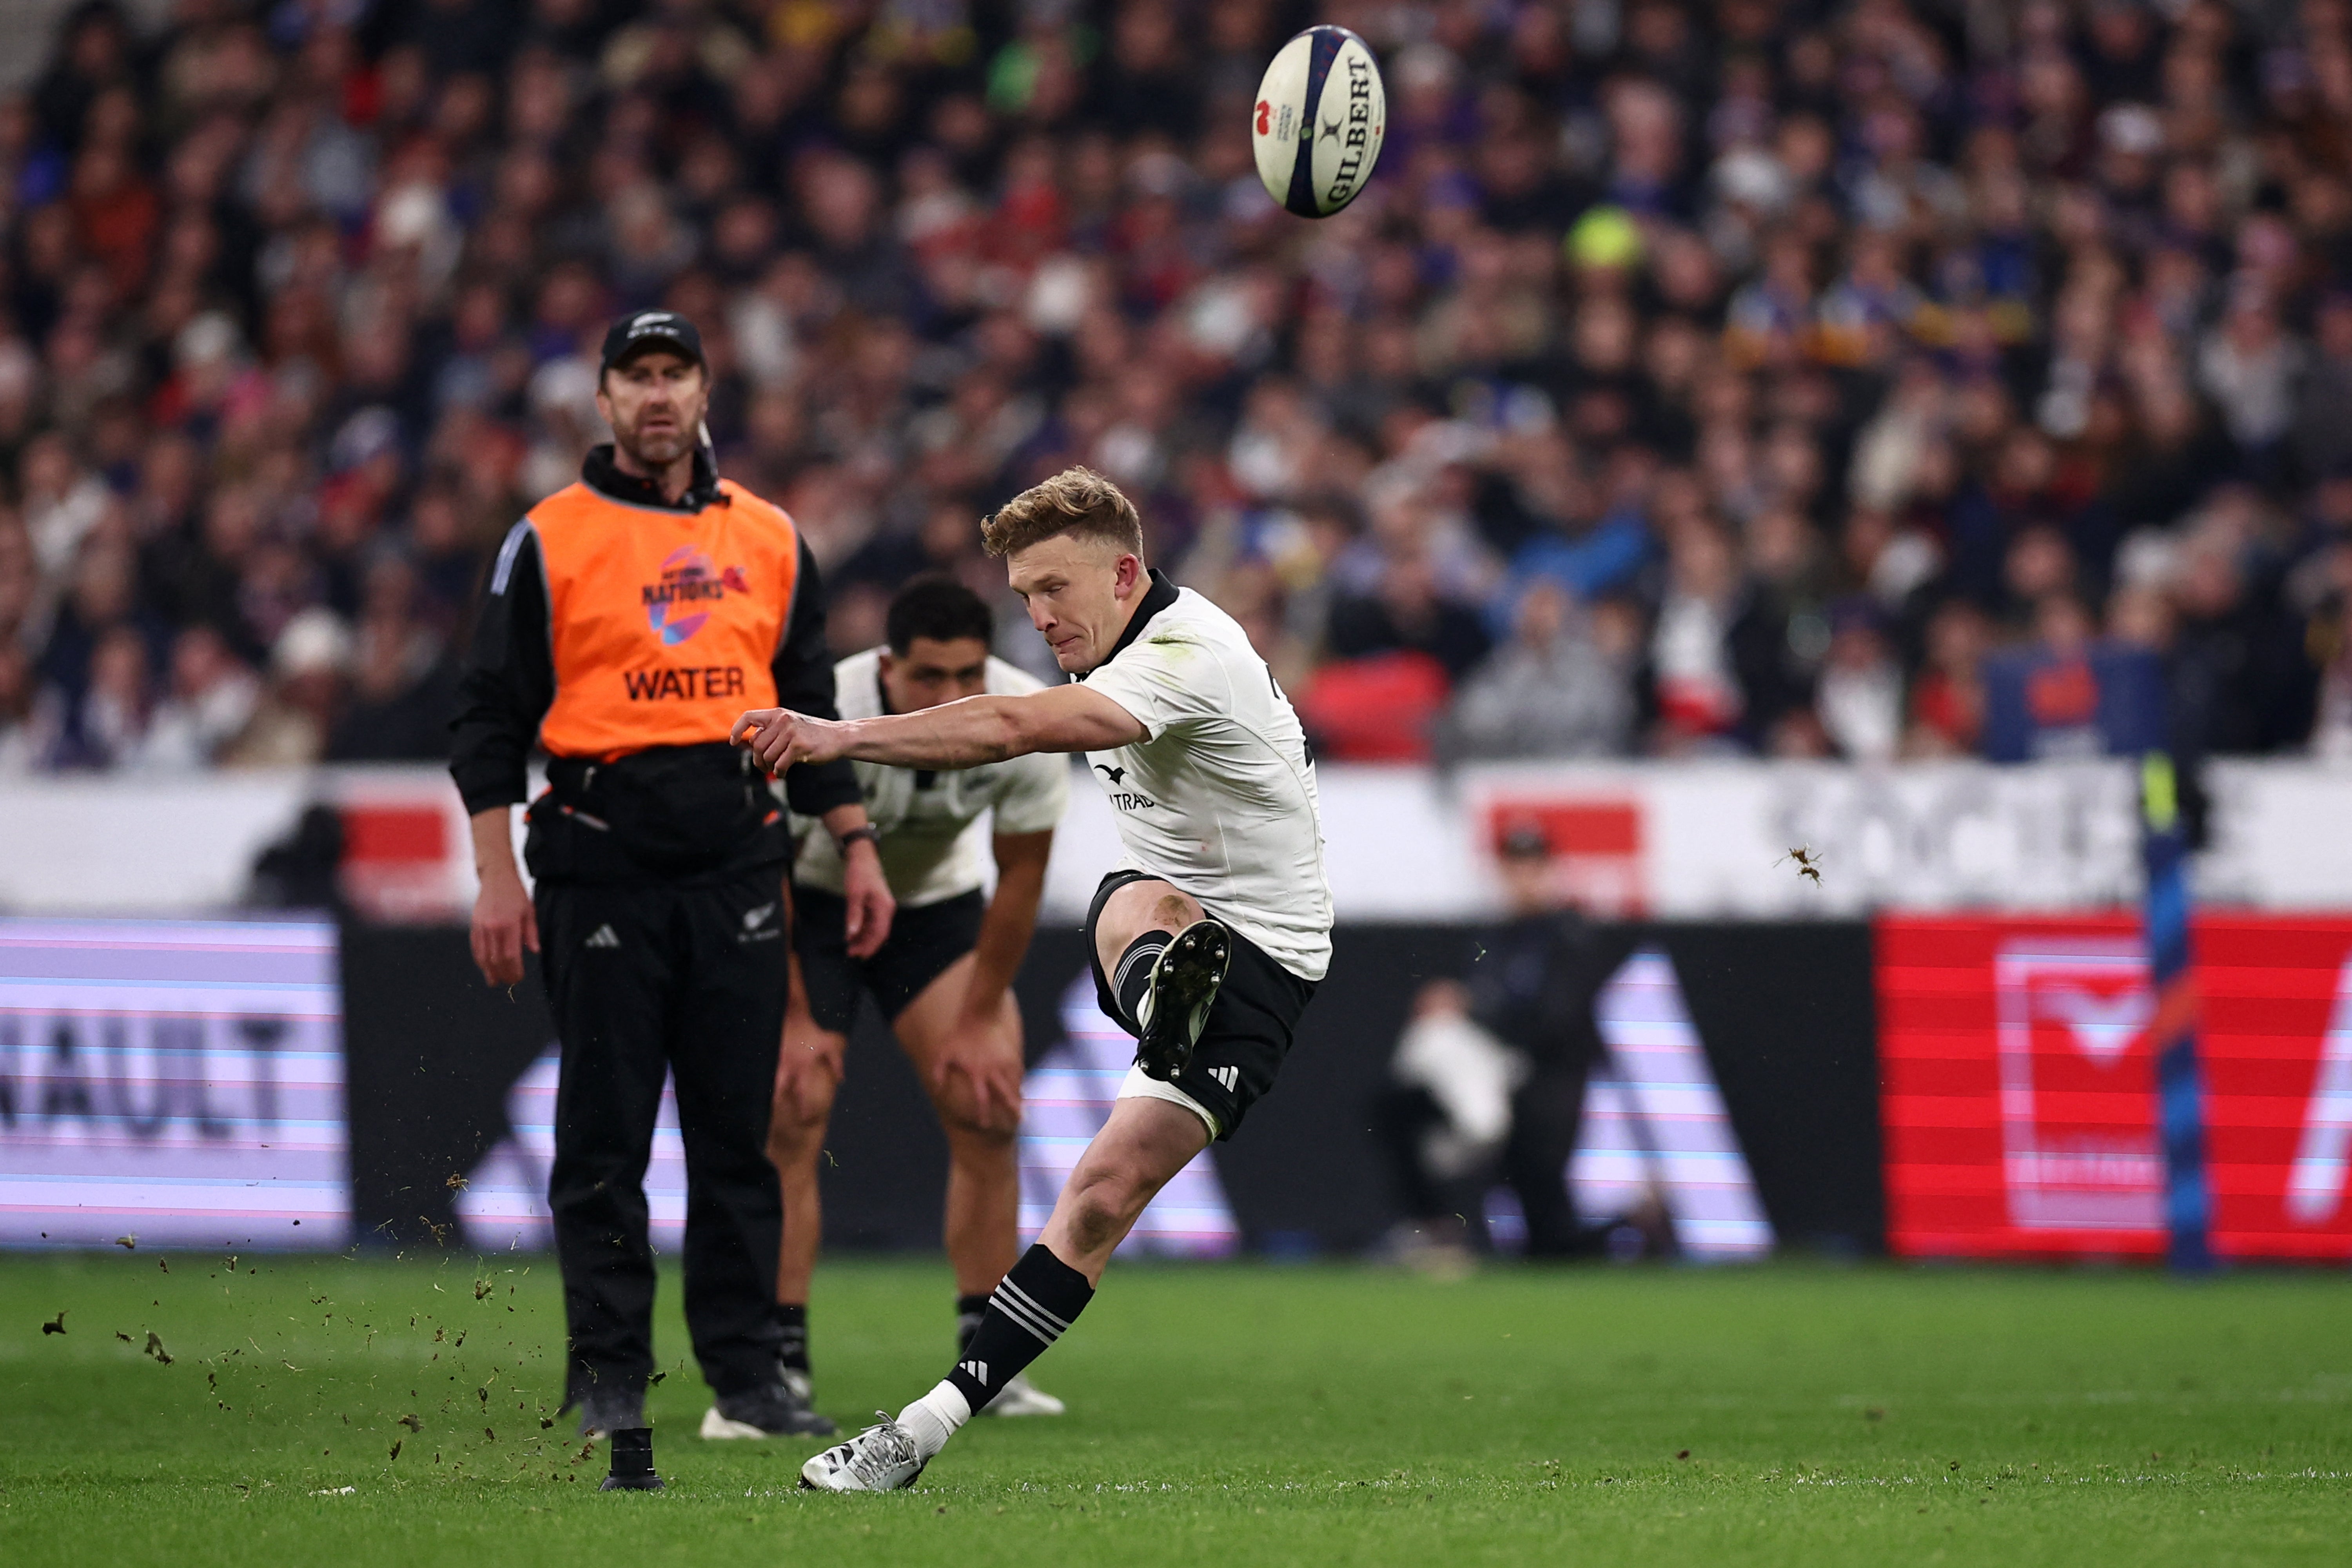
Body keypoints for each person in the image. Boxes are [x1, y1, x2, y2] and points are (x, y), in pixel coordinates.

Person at [731, 466, 1332, 1491]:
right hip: (1181, 923)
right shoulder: (1118, 652)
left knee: (1131, 939)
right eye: (1025, 597)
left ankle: (1169, 994)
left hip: (1269, 959)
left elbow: (1008, 731)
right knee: (1130, 939)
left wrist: (840, 736)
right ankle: (915, 1437)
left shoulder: (1184, 653)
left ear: (1127, 572)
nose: (1041, 616)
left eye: (1056, 588)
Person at [449, 310, 894, 1460]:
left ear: (706, 392)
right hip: (599, 862)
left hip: (740, 861)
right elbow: (488, 722)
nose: (657, 395)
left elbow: (808, 711)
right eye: (635, 376)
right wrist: (496, 879)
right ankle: (610, 1381)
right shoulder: (549, 537)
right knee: (604, 1141)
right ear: (602, 400)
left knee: (739, 1138)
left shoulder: (775, 538)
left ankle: (747, 1380)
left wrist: (853, 841)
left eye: (675, 373)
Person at [767, 574, 1071, 1428]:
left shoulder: (1022, 715)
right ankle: (778, 1356)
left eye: (967, 674)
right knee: (793, 1108)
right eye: (929, 678)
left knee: (987, 1100)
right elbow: (763, 862)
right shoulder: (820, 703)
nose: (951, 697)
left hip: (934, 909)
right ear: (887, 667)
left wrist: (978, 1018)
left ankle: (990, 1353)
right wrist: (794, 1011)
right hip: (813, 903)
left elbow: (1021, 873)